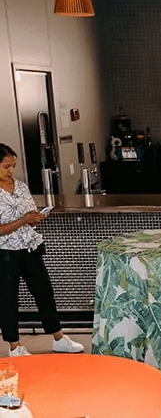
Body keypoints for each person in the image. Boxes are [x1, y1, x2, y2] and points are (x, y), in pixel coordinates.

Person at [0, 143, 84, 356]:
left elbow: (29, 218)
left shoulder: (20, 187)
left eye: (14, 166)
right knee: (8, 300)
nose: (11, 171)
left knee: (44, 293)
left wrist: (35, 218)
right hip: (6, 254)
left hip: (30, 248)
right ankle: (14, 347)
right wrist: (23, 220)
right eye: (6, 167)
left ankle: (58, 338)